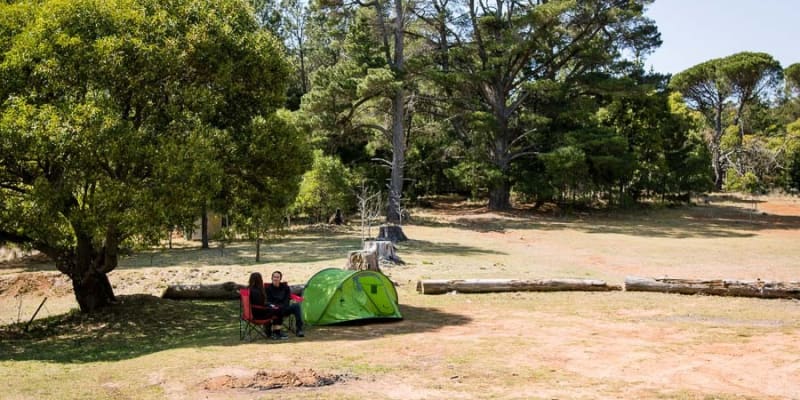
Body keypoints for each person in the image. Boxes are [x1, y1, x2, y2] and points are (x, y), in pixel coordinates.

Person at [265, 270, 304, 338]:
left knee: (296, 306)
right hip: (274, 309)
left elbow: (287, 299)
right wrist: (275, 306)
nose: (275, 279)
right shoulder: (267, 288)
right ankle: (276, 332)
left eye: (277, 277)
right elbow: (267, 301)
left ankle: (299, 329)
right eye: (274, 277)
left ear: (280, 279)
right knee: (277, 309)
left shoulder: (285, 287)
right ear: (272, 278)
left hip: (284, 308)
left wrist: (283, 307)